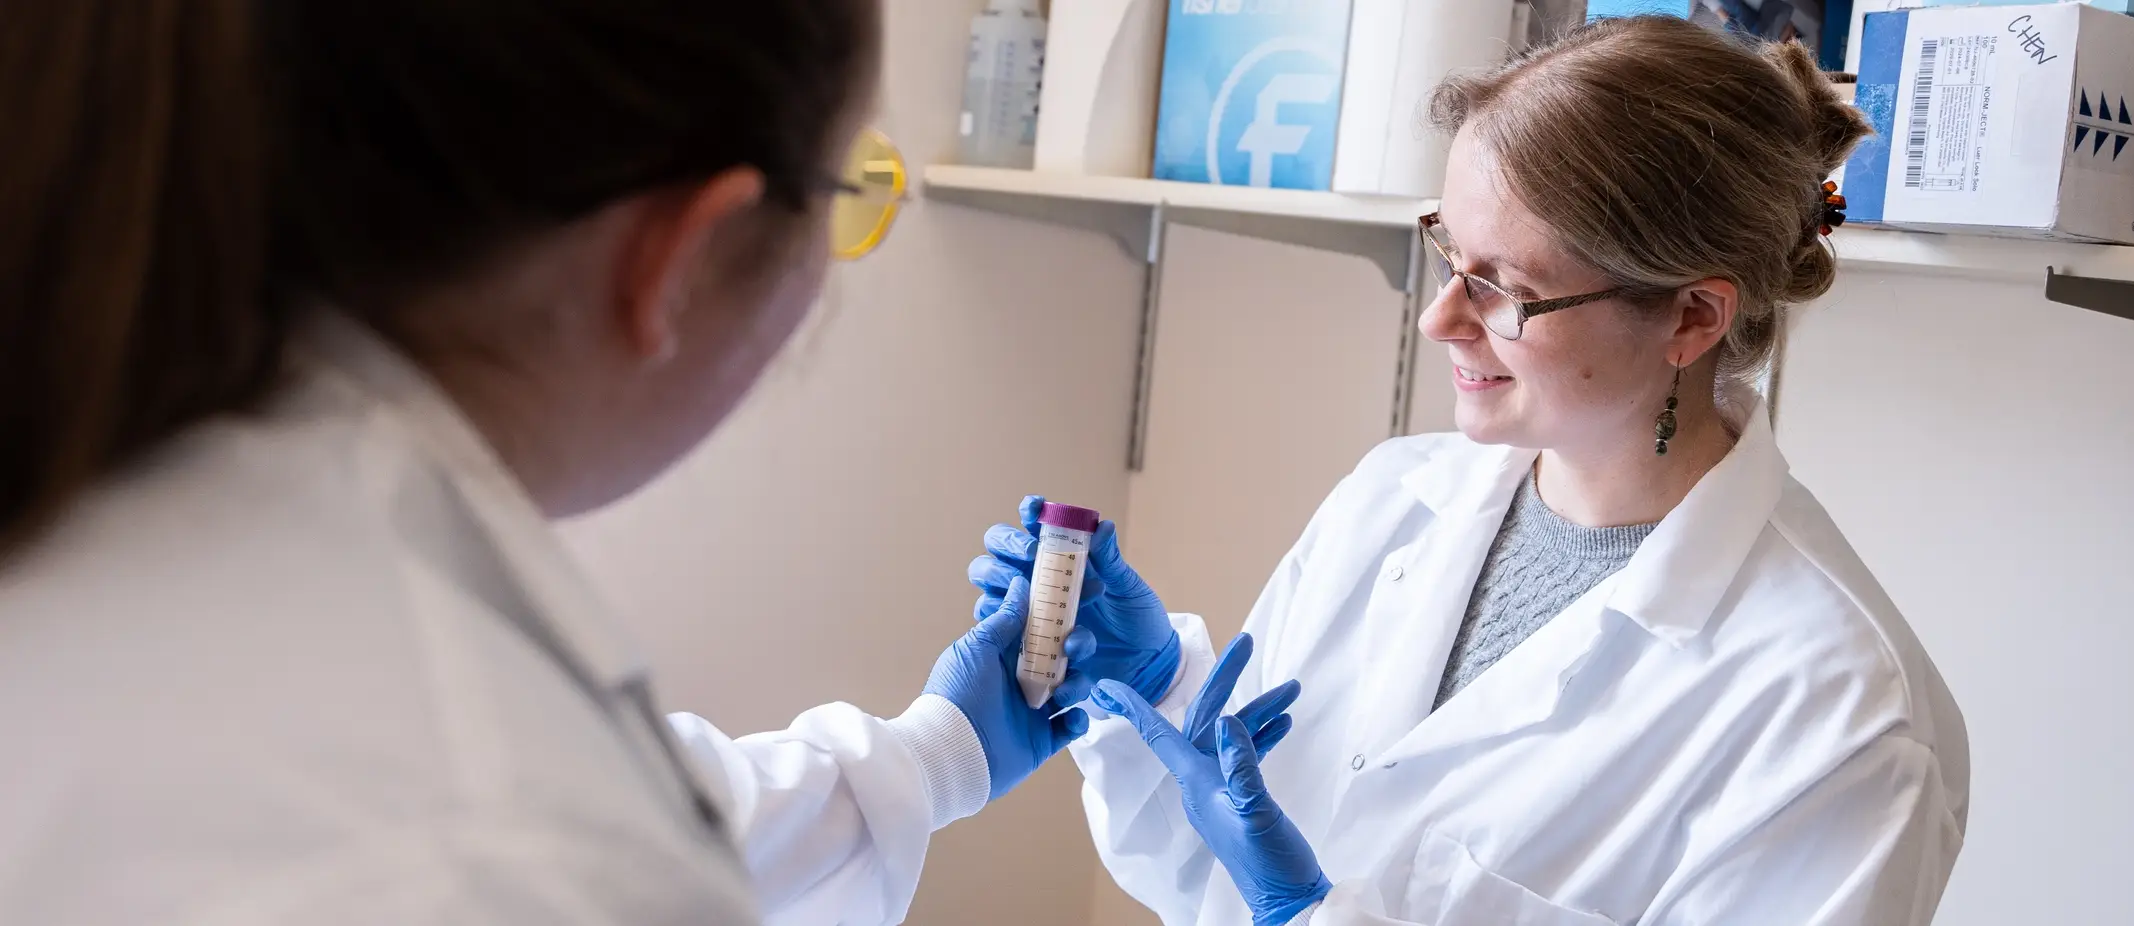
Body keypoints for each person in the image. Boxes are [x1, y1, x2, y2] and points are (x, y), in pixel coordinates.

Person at [0, 3, 1276, 923]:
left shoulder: (120, 468)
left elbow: (665, 802)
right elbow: (556, 833)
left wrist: (936, 751)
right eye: (848, 193)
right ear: (677, 254)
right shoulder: (495, 835)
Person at [971, 18, 1970, 926]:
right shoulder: (1396, 497)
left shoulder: (1836, 715)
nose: (1438, 317)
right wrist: (1157, 697)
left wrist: (1307, 912)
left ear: (1692, 318)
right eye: (1450, 250)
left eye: (1505, 289)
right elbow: (1211, 870)